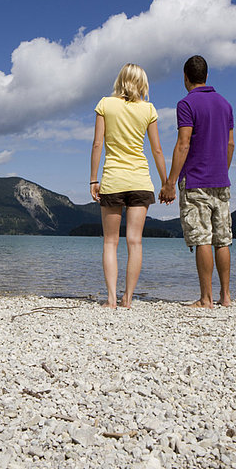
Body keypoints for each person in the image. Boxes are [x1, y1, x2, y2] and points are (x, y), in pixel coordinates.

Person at [90, 63, 167, 309]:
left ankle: (111, 299)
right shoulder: (148, 109)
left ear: (120, 80)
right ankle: (128, 299)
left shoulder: (105, 104)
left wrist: (93, 179)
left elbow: (97, 145)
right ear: (142, 82)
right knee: (135, 241)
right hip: (140, 181)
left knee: (110, 242)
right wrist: (166, 182)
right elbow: (156, 149)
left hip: (113, 180)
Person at [160, 55, 234, 308]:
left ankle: (206, 299)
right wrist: (222, 171)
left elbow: (183, 143)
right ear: (206, 75)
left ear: (185, 76)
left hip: (196, 181)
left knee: (203, 238)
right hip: (221, 181)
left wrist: (170, 182)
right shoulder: (225, 104)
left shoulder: (186, 104)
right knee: (222, 239)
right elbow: (230, 144)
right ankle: (225, 297)